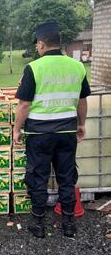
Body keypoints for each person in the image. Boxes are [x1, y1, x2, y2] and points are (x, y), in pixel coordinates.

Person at [13, 22, 91, 238]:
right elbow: (82, 100)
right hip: (67, 133)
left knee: (39, 177)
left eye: (37, 45)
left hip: (39, 134)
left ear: (41, 44)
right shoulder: (77, 67)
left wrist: (17, 130)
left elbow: (24, 104)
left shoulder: (34, 68)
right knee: (67, 177)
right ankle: (68, 224)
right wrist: (81, 124)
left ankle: (38, 225)